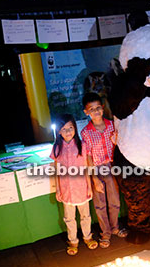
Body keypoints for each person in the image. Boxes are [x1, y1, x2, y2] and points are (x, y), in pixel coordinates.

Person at [81, 92, 127, 248]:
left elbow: (119, 144)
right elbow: (87, 157)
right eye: (91, 109)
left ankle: (115, 227)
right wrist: (94, 178)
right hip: (97, 168)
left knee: (114, 201)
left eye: (98, 108)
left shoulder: (112, 125)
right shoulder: (86, 132)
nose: (96, 111)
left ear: (102, 107)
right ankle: (105, 233)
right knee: (100, 204)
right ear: (86, 112)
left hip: (112, 167)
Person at [50, 114, 98, 255]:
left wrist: (89, 186)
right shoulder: (57, 148)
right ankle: (73, 241)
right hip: (66, 189)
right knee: (69, 218)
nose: (68, 132)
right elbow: (57, 170)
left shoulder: (82, 145)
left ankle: (88, 237)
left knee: (85, 216)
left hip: (82, 187)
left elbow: (85, 167)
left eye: (70, 128)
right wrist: (57, 190)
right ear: (59, 131)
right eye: (64, 129)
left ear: (75, 128)